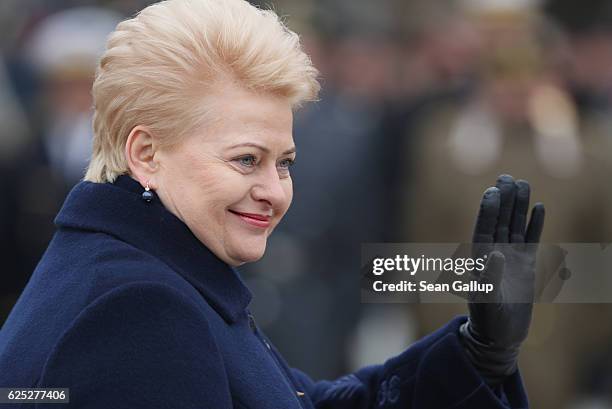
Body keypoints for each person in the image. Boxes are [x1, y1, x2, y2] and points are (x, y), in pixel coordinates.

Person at [0, 0, 544, 407]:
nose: (275, 190)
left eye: (283, 162)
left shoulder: (152, 272)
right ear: (146, 152)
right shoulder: (139, 307)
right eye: (245, 160)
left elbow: (304, 402)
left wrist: (478, 352)